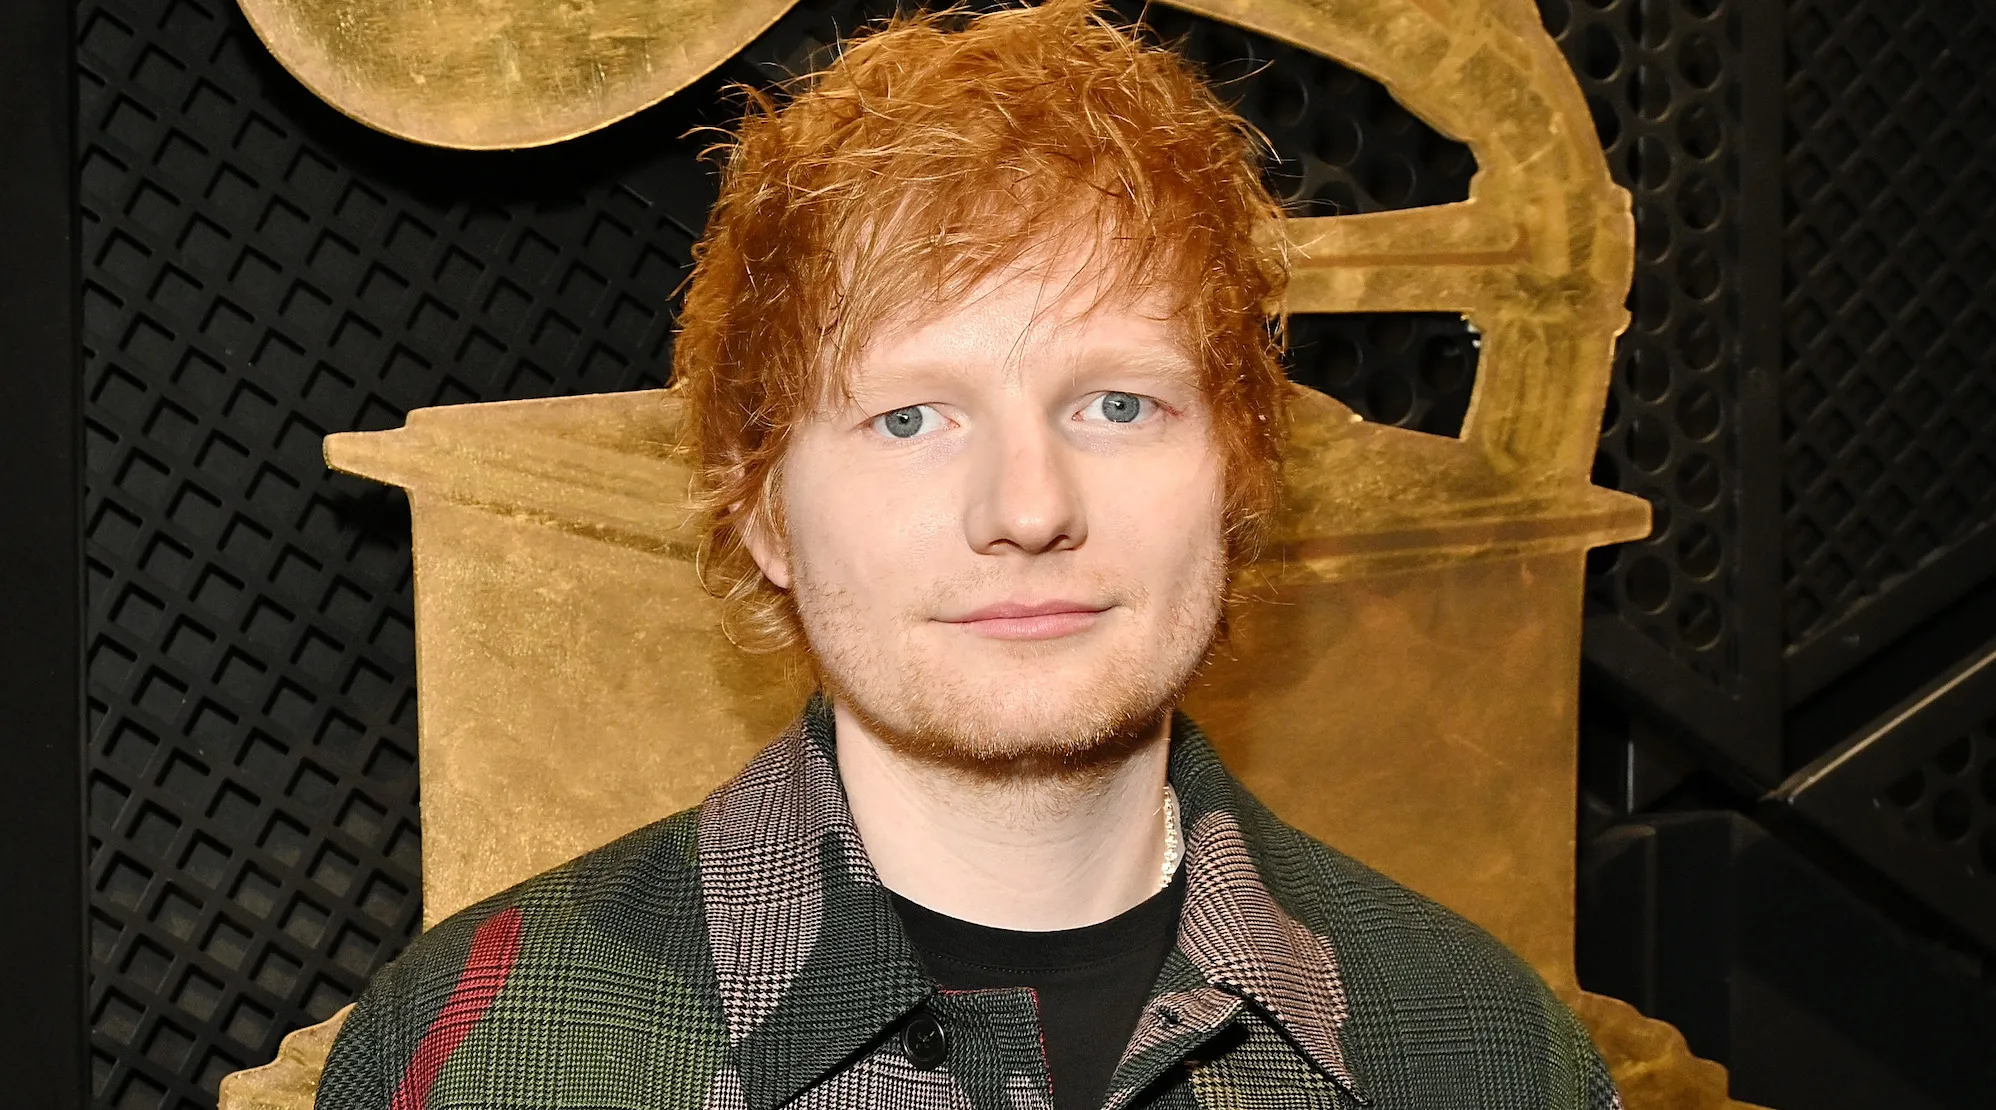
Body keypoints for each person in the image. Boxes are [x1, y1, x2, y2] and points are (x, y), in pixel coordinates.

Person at [316, 1, 1620, 1107]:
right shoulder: (473, 1061)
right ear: (761, 506)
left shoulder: (1490, 1056)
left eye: (1119, 404)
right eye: (911, 418)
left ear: (1239, 472)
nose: (1029, 508)